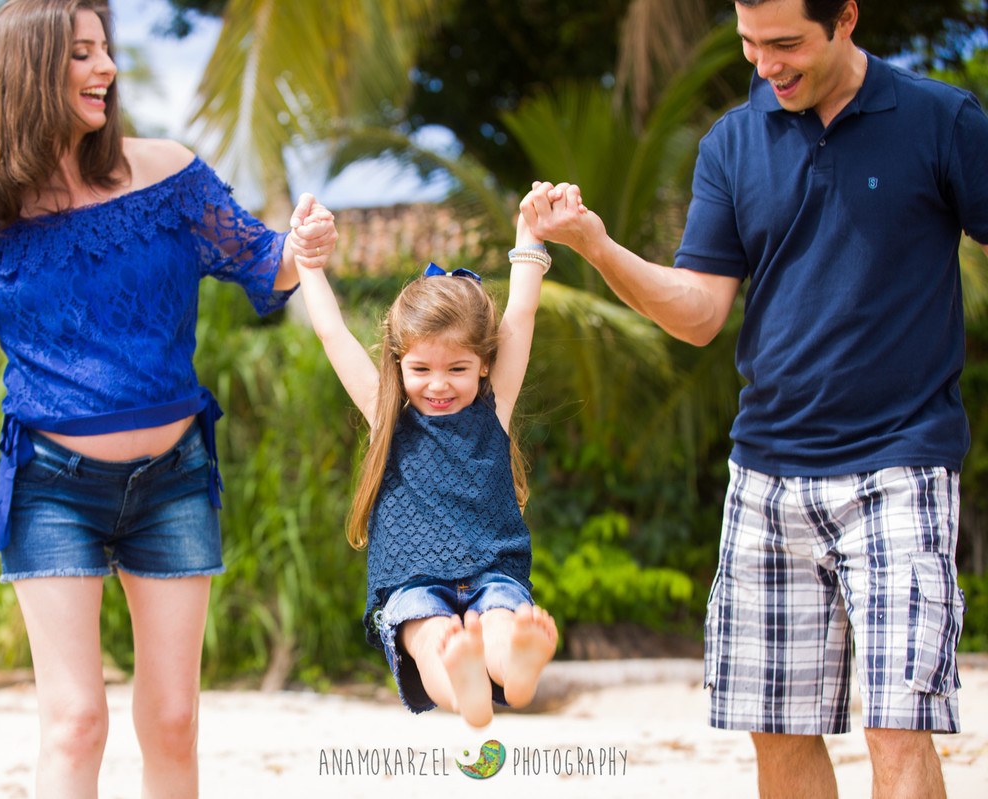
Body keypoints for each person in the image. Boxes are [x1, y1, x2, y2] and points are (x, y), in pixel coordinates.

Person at [523, 1, 988, 797]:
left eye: (785, 45)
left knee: (898, 728)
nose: (765, 66)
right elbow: (701, 313)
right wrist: (596, 247)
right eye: (748, 44)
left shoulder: (940, 118)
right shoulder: (732, 143)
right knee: (778, 736)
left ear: (845, 18)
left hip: (902, 465)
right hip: (767, 478)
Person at [0, 1, 337, 796]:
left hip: (174, 480)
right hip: (53, 488)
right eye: (82, 55)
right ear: (30, 70)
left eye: (106, 51)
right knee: (75, 721)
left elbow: (268, 262)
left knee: (173, 720)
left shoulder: (167, 174)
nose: (107, 70)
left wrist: (304, 246)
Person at [291, 188, 559, 728]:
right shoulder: (386, 414)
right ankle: (470, 691)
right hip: (412, 582)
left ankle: (514, 670)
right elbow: (331, 331)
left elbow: (523, 313)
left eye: (457, 369)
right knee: (434, 637)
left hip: (492, 569)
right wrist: (309, 262)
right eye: (421, 370)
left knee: (498, 624)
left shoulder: (493, 409)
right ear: (398, 362)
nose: (439, 385)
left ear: (484, 364)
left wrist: (530, 235)